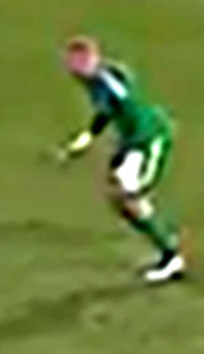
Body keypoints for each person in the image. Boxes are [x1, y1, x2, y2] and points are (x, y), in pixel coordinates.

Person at [56, 36, 186, 283]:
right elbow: (106, 112)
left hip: (149, 139)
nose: (73, 68)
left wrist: (132, 148)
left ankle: (171, 256)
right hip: (133, 142)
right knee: (120, 201)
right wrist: (86, 139)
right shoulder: (94, 83)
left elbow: (130, 108)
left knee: (129, 198)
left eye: (78, 62)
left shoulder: (107, 82)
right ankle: (167, 249)